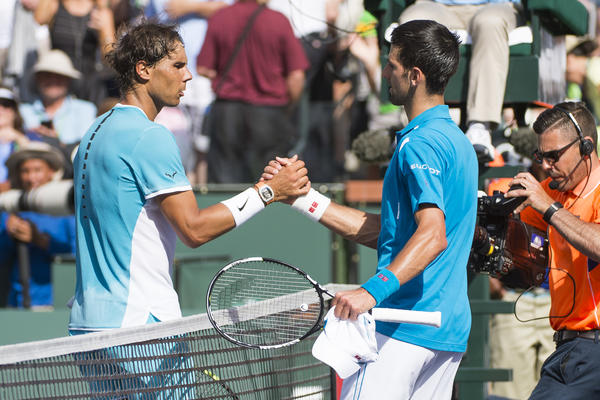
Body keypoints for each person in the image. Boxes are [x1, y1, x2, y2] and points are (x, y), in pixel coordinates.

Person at [264, 20, 478, 399]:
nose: (384, 73)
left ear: (414, 75)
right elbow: (397, 234)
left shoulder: (419, 144)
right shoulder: (457, 142)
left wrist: (372, 292)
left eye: (391, 64)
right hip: (446, 332)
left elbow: (432, 235)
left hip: (403, 326)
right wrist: (303, 199)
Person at [68, 21, 309, 333]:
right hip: (141, 326)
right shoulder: (149, 136)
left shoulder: (93, 131)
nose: (188, 75)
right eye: (178, 65)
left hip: (88, 325)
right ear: (144, 70)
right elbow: (194, 231)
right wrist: (268, 192)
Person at [505, 101, 600, 399]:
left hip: (591, 349)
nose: (545, 165)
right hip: (571, 349)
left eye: (553, 156)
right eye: (540, 156)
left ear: (586, 146)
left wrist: (548, 207)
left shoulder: (557, 198)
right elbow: (515, 227)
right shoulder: (554, 190)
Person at [196, 0, 309, 183]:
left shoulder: (220, 17)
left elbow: (203, 67)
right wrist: (289, 107)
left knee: (225, 184)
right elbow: (296, 76)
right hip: (269, 113)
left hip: (228, 112)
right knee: (270, 184)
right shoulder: (278, 20)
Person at [399, 0, 522, 163]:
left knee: (490, 22)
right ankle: (419, 125)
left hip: (496, 6)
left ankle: (480, 128)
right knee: (414, 21)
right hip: (437, 5)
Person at [0, 141, 75, 309]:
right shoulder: (12, 207)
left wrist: (40, 240)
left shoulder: (66, 208)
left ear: (51, 172)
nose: (31, 177)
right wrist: (8, 231)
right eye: (25, 171)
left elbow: (77, 254)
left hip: (54, 303)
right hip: (16, 303)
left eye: (37, 170)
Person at [19, 49, 97, 166]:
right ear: (37, 79)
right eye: (47, 75)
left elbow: (86, 150)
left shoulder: (86, 110)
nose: (53, 80)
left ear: (69, 80)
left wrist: (55, 143)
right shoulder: (22, 111)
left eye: (59, 76)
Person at [0, 86, 30, 192]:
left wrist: (19, 138)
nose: (1, 110)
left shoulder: (30, 136)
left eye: (6, 105)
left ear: (14, 111)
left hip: (17, 198)